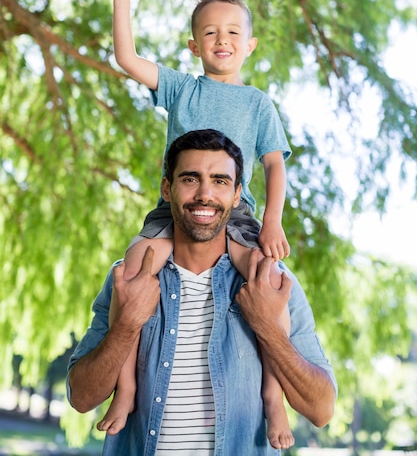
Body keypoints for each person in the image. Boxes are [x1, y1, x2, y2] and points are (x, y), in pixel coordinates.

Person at [99, 0, 294, 447]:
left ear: (249, 45)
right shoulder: (182, 87)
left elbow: (274, 163)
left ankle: (273, 394)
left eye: (232, 32)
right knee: (132, 270)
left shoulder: (257, 103)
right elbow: (127, 58)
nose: (221, 39)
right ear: (194, 45)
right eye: (210, 32)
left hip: (237, 213)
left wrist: (272, 221)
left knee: (268, 277)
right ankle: (126, 389)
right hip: (178, 212)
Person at [67, 129, 337, 456]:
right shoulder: (130, 277)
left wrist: (266, 325)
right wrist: (128, 324)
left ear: (237, 195)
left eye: (220, 181)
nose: (205, 194)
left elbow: (321, 410)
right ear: (167, 188)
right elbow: (82, 398)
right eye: (190, 179)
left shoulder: (269, 282)